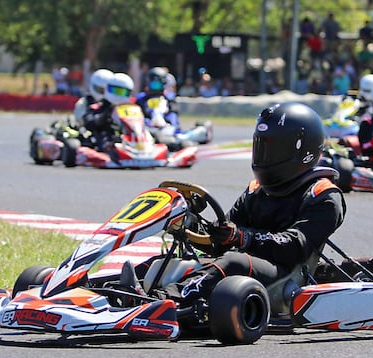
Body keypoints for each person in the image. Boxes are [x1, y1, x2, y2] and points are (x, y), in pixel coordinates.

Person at [122, 102, 347, 307]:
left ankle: (160, 302)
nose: (264, 156)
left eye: (273, 149)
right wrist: (189, 221)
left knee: (233, 262)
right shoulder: (257, 190)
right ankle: (108, 290)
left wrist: (242, 237)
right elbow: (221, 239)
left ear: (303, 151)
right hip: (248, 267)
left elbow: (296, 246)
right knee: (166, 261)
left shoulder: (324, 195)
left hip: (287, 276)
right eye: (262, 147)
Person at [82, 69, 134, 152]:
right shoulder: (100, 107)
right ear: (108, 89)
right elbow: (89, 122)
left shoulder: (132, 108)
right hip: (106, 136)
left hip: (129, 136)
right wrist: (105, 115)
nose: (118, 95)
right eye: (115, 91)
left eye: (121, 92)